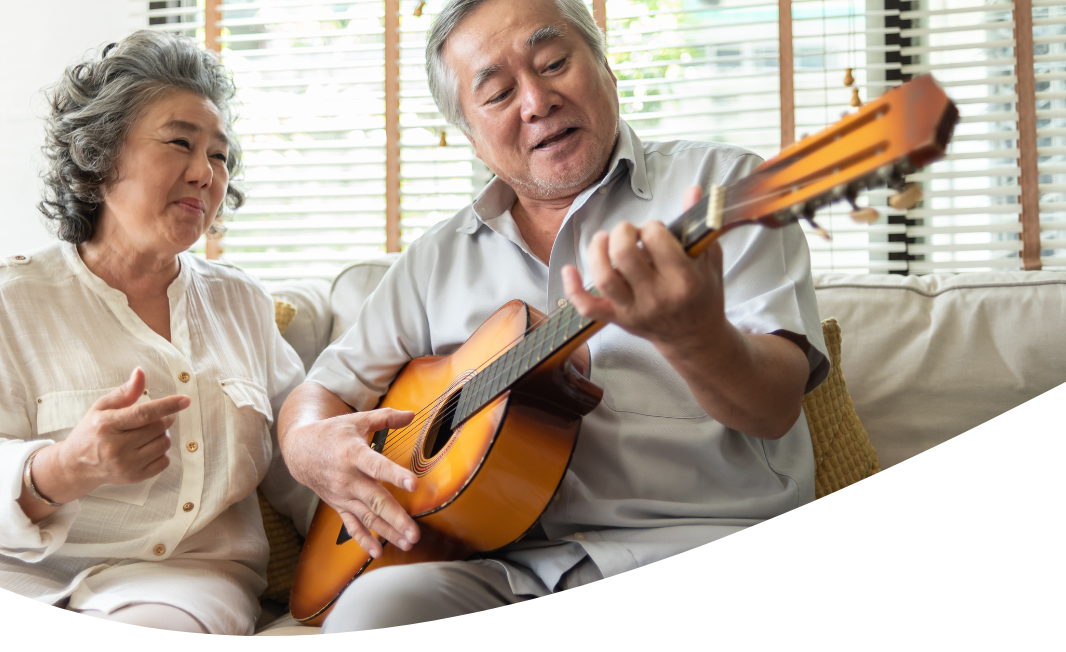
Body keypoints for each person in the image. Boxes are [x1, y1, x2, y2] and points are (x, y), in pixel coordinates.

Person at [277, 0, 830, 632]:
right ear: (471, 135)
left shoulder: (724, 189)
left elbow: (774, 404)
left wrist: (697, 336)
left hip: (705, 548)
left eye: (554, 62)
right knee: (372, 610)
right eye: (498, 92)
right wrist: (305, 445)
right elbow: (321, 390)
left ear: (605, 68)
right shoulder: (436, 259)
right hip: (511, 572)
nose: (537, 101)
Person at [0, 30, 312, 636]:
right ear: (100, 155)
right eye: (181, 142)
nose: (206, 173)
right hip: (0, 570)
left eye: (221, 156)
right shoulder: (3, 297)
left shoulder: (241, 304)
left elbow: (302, 462)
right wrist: (66, 467)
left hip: (181, 584)